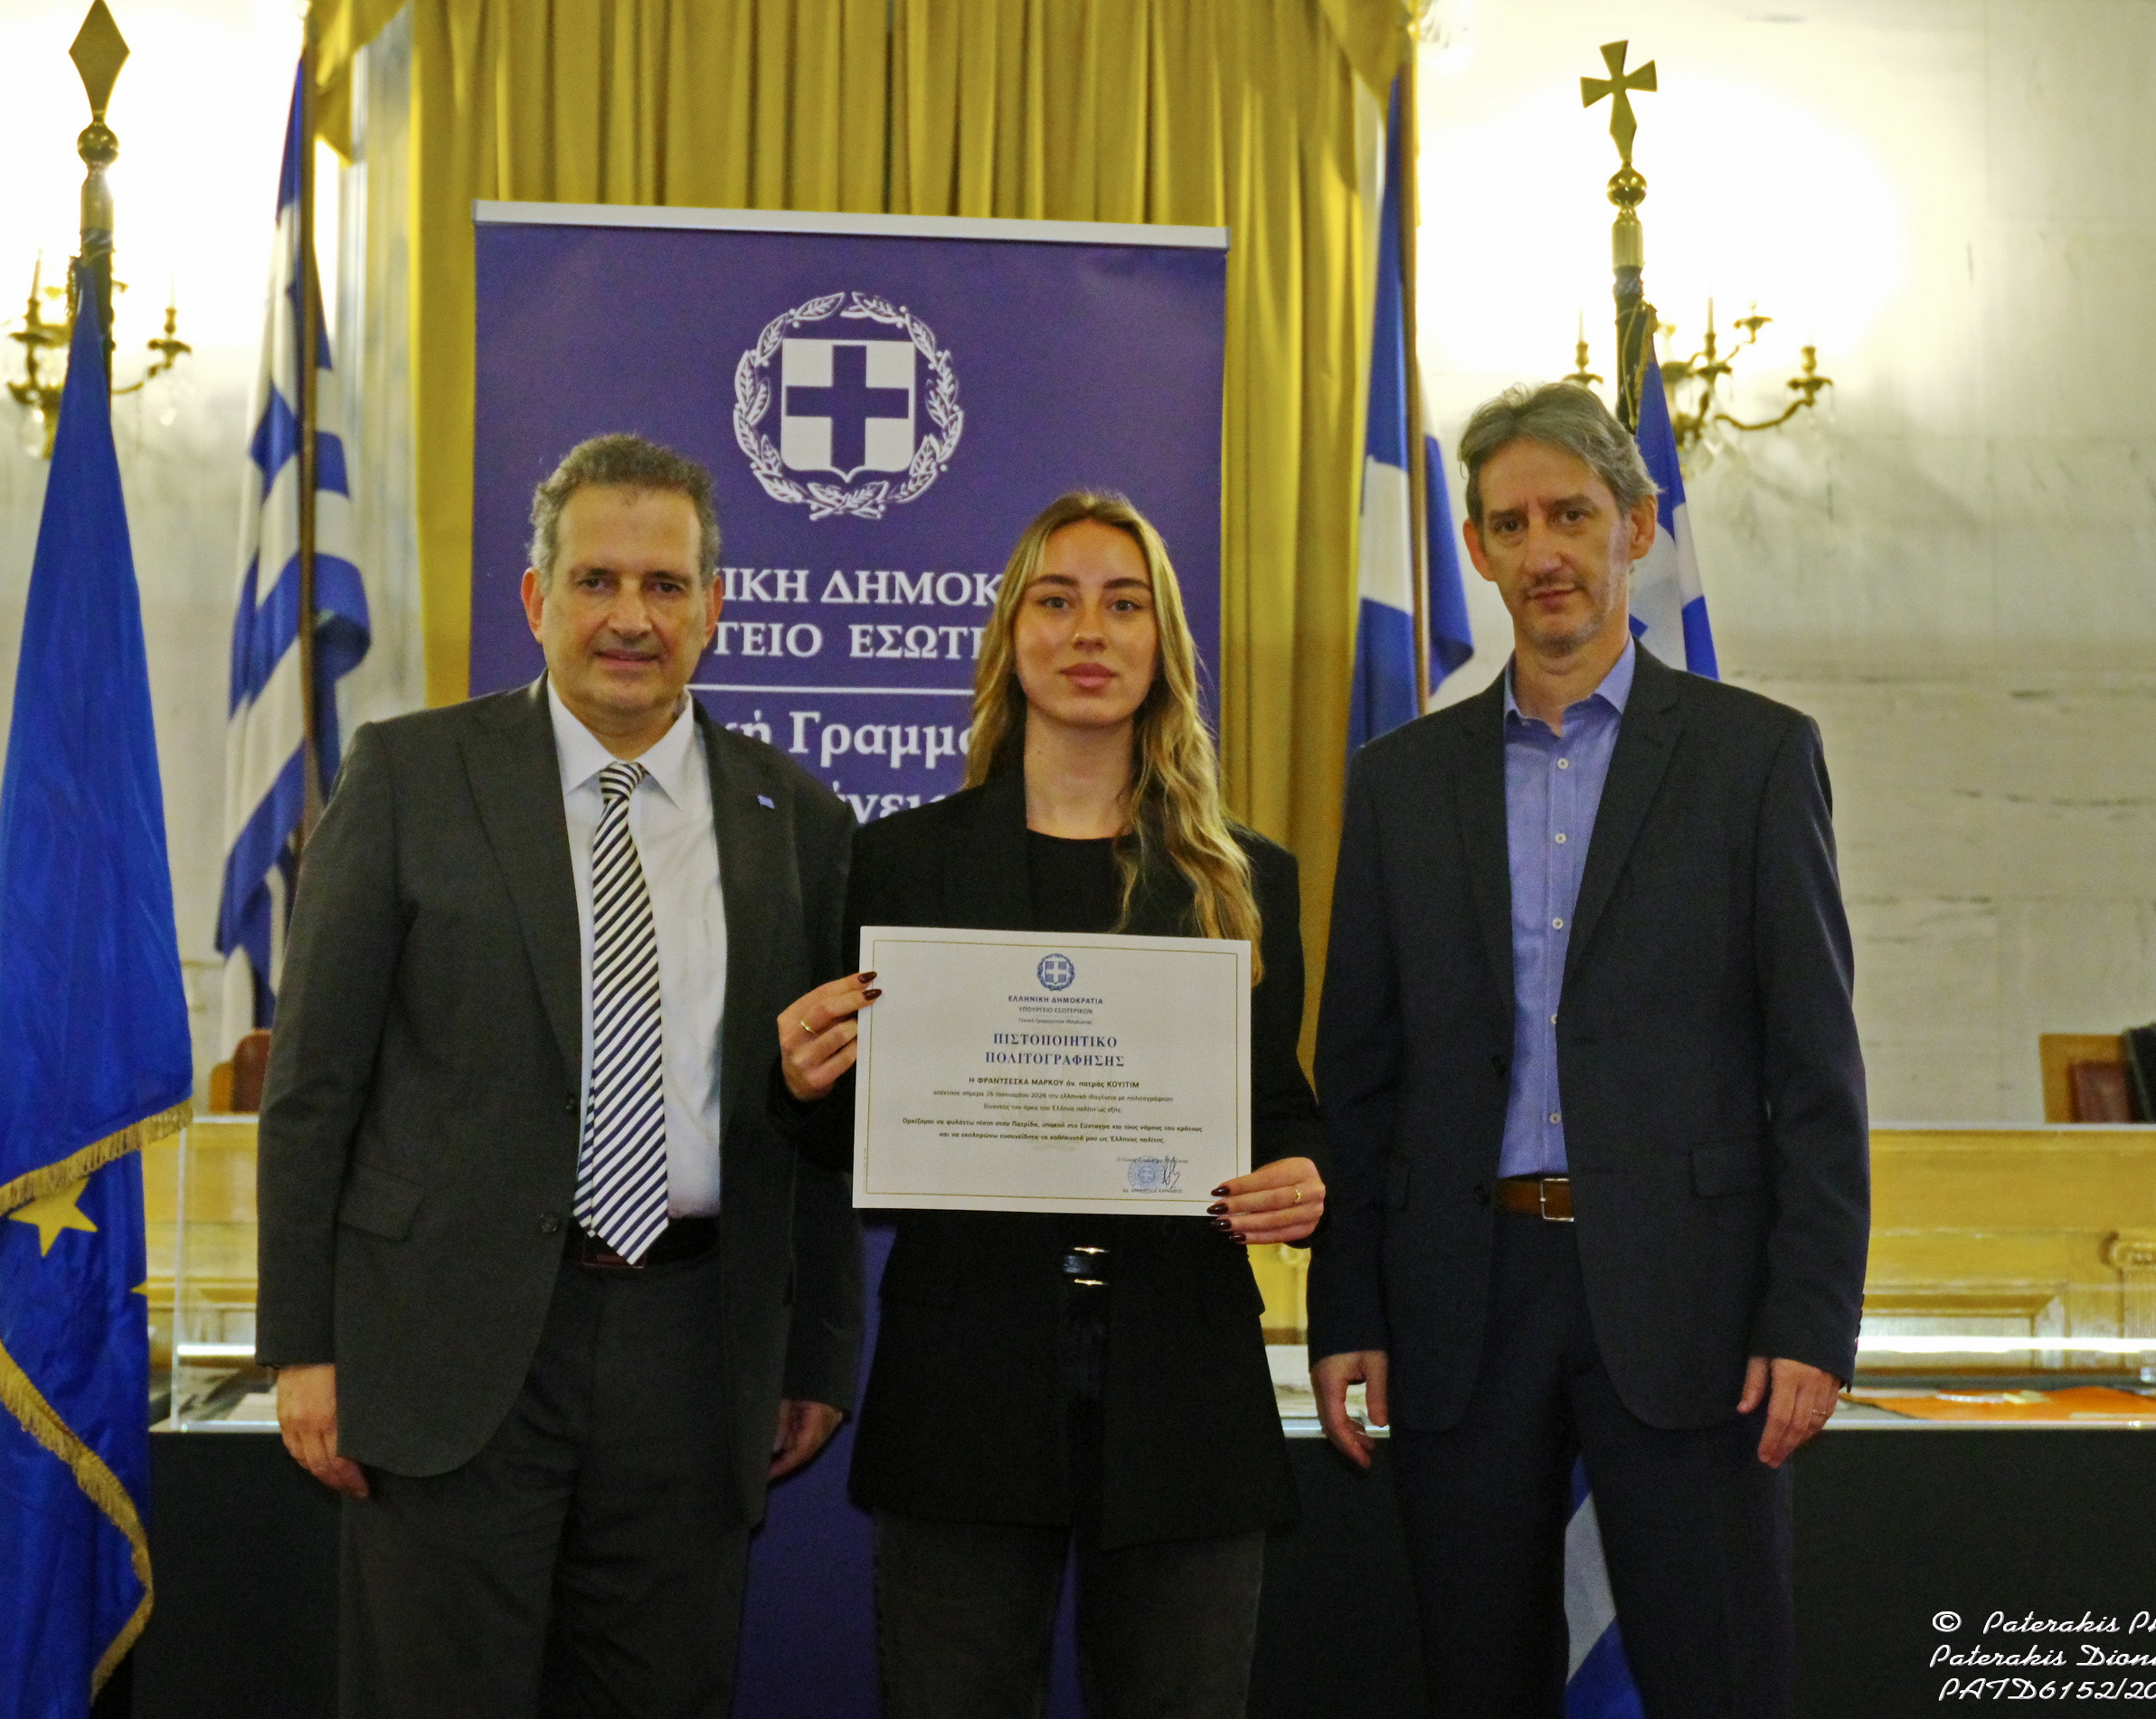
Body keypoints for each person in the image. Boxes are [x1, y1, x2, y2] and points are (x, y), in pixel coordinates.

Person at [255, 433, 862, 1718]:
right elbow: (313, 1088)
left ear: (713, 607)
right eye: (597, 581)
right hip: (446, 1347)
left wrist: (816, 1349)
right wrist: (303, 1347)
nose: (630, 618)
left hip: (694, 1354)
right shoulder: (412, 778)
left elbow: (817, 1113)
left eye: (664, 585)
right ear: (536, 600)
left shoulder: (798, 820)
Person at [1307, 382, 1870, 1716]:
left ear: (1637, 524)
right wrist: (1348, 1310)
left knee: (1719, 1679)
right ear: (1475, 547)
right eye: (1510, 525)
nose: (1543, 551)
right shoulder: (1400, 782)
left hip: (1695, 1304)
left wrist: (1810, 1317)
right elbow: (1363, 1076)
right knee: (1475, 1682)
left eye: (1571, 515)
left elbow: (1815, 1071)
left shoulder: (1754, 759)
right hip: (1463, 1300)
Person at [778, 491, 1326, 1719]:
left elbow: (1277, 1109)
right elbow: (847, 1136)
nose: (1090, 631)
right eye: (1057, 600)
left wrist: (1305, 1176)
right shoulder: (900, 863)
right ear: (1010, 638)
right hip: (966, 1375)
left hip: (1183, 1379)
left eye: (1124, 605)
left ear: (1162, 644)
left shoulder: (1244, 880)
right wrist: (800, 1081)